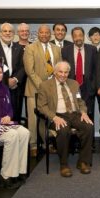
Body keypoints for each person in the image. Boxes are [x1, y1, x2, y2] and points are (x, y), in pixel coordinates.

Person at [36, 61, 94, 177]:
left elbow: (80, 101)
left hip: (74, 114)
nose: (63, 75)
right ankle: (64, 164)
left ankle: (83, 161)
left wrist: (83, 112)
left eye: (66, 72)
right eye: (60, 72)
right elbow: (41, 106)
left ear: (69, 73)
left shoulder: (74, 84)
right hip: (57, 114)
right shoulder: (45, 85)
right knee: (63, 129)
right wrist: (54, 117)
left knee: (88, 126)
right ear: (55, 72)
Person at [23, 24, 61, 154]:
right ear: (38, 34)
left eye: (47, 33)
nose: (44, 35)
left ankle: (46, 143)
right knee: (34, 119)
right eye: (42, 32)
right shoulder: (30, 48)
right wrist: (43, 86)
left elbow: (59, 69)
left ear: (50, 34)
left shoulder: (56, 49)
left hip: (52, 89)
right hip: (34, 89)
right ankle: (33, 145)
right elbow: (30, 71)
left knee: (48, 117)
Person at [61, 26, 98, 123]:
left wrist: (93, 86)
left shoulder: (92, 49)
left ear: (84, 36)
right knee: (73, 112)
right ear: (72, 37)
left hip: (88, 85)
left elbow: (96, 69)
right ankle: (74, 137)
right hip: (72, 84)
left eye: (80, 35)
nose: (78, 38)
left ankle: (89, 137)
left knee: (89, 113)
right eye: (75, 36)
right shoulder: (65, 50)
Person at [0, 22, 26, 122]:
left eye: (10, 31)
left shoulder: (20, 48)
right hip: (0, 88)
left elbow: (23, 67)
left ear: (14, 34)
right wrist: (6, 81)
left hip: (16, 88)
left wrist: (15, 79)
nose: (8, 33)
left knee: (15, 115)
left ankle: (16, 136)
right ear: (0, 33)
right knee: (1, 116)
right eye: (5, 31)